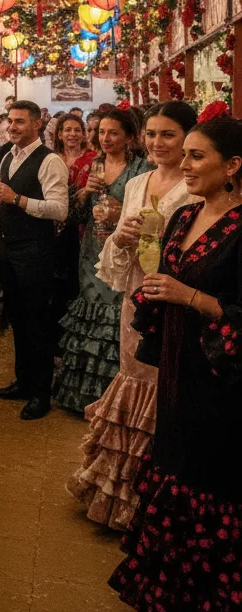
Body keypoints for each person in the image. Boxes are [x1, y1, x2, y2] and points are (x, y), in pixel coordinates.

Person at [109, 113, 242, 609]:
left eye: (195, 155)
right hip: (176, 368)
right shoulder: (184, 217)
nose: (184, 164)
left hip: (220, 379)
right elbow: (157, 276)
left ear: (232, 165)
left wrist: (192, 298)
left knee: (207, 476)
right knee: (173, 462)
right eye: (182, 153)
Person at [68, 102, 195, 531]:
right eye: (153, 134)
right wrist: (120, 236)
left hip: (176, 303)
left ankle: (156, 499)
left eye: (169, 135)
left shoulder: (199, 186)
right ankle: (115, 492)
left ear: (189, 140)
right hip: (136, 299)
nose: (158, 144)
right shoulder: (139, 182)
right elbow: (116, 260)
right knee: (133, 377)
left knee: (166, 388)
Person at [54, 108, 149, 415]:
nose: (105, 139)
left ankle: (116, 401)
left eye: (114, 133)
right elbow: (77, 216)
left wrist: (119, 212)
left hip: (124, 251)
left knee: (116, 314)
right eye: (102, 133)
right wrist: (83, 194)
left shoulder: (140, 170)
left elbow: (148, 216)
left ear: (130, 137)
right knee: (90, 308)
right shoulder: (95, 164)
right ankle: (80, 395)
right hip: (91, 248)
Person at [0, 101, 69, 420]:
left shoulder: (50, 161)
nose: (13, 127)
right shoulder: (7, 156)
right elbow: (5, 199)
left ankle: (40, 394)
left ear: (37, 124)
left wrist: (17, 199)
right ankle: (23, 380)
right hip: (8, 248)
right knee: (17, 317)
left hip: (35, 249)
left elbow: (60, 209)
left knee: (38, 322)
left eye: (20, 122)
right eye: (10, 122)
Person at [52, 113, 98, 339]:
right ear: (59, 134)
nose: (72, 134)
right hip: (54, 227)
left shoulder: (93, 159)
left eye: (77, 129)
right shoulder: (51, 159)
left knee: (76, 279)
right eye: (67, 130)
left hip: (82, 227)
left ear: (84, 134)